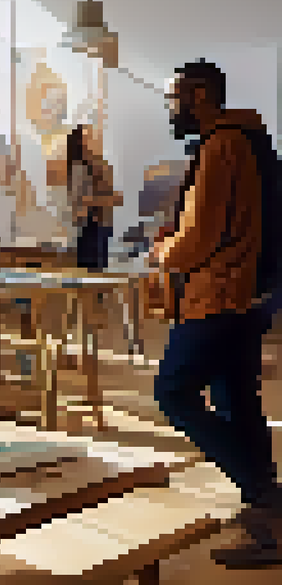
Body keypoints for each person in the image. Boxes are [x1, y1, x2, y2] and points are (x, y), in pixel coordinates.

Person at [150, 60, 280, 568]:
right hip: (248, 294)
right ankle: (268, 524)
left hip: (220, 294)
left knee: (173, 391)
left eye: (175, 97)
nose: (172, 108)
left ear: (199, 95)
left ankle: (264, 491)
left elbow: (201, 235)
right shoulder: (248, 138)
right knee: (237, 402)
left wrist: (165, 251)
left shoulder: (222, 145)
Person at [66, 125, 121, 271]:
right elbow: (80, 200)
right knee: (91, 276)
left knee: (98, 274)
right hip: (90, 228)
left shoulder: (98, 165)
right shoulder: (80, 168)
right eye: (88, 138)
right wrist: (108, 200)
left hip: (101, 226)